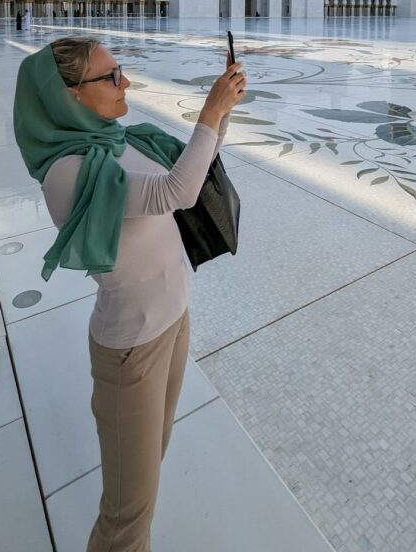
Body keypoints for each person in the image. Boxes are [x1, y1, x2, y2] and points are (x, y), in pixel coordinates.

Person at [13, 37, 245, 552]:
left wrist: (221, 116)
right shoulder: (67, 174)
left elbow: (189, 168)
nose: (127, 84)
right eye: (111, 76)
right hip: (131, 353)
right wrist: (210, 109)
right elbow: (173, 193)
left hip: (172, 325)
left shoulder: (116, 140)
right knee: (126, 519)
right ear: (68, 95)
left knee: (147, 475)